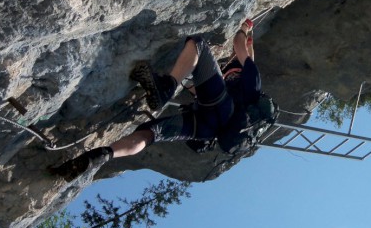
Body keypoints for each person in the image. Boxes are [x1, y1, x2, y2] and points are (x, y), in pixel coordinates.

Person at [49, 19, 265, 181]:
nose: (227, 70)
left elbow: (240, 44)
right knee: (149, 135)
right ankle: (104, 154)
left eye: (231, 68)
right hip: (206, 131)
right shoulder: (243, 96)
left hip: (217, 108)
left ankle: (166, 88)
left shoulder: (250, 81)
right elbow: (245, 52)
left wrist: (245, 27)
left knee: (198, 45)